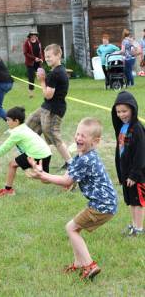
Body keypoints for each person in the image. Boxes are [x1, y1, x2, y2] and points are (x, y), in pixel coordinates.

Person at [28, 117, 117, 280]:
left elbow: (67, 182)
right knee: (74, 228)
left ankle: (90, 265)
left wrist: (44, 175)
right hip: (102, 203)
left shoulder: (86, 159)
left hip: (102, 205)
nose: (78, 138)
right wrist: (42, 175)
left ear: (95, 141)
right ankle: (78, 264)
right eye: (77, 134)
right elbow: (66, 181)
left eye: (84, 136)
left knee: (71, 228)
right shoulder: (80, 156)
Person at [0, 106, 52, 197]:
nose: (7, 122)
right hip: (45, 152)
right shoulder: (23, 127)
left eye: (8, 120)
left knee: (12, 164)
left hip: (36, 154)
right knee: (45, 179)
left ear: (16, 121)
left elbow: (4, 148)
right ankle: (66, 182)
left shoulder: (17, 133)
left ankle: (8, 190)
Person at [26, 43, 71, 170]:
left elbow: (48, 95)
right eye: (46, 57)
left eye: (50, 56)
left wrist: (41, 81)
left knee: (53, 136)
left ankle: (70, 163)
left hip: (53, 109)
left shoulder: (55, 73)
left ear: (58, 55)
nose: (47, 59)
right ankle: (31, 157)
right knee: (29, 127)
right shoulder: (55, 71)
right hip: (46, 108)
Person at [112, 91, 145, 236]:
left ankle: (139, 228)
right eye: (118, 111)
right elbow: (121, 152)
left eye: (124, 111)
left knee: (138, 202)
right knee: (131, 201)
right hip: (127, 174)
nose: (121, 114)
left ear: (133, 109)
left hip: (136, 175)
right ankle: (133, 225)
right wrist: (122, 174)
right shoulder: (122, 127)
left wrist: (134, 174)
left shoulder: (137, 129)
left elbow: (141, 154)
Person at [23, 30, 43, 98]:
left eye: (35, 35)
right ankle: (31, 94)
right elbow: (26, 53)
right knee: (31, 78)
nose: (34, 36)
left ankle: (46, 91)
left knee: (42, 76)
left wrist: (41, 59)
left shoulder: (38, 41)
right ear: (30, 35)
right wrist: (34, 58)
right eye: (32, 35)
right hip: (30, 63)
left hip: (38, 62)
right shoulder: (26, 42)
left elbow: (40, 51)